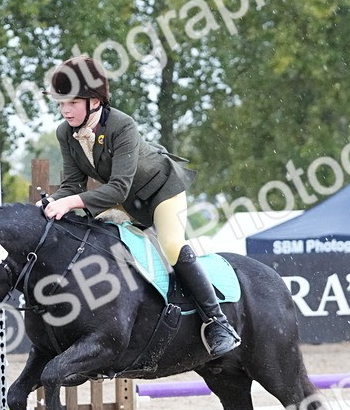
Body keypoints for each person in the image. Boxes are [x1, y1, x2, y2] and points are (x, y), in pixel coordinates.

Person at [40, 55, 242, 358]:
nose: (65, 110)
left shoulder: (123, 125)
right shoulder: (65, 132)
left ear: (94, 101)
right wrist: (50, 202)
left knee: (171, 245)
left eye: (71, 102)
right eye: (60, 104)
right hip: (124, 202)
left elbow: (117, 186)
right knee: (103, 244)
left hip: (161, 193)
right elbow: (73, 186)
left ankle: (218, 323)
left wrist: (70, 202)